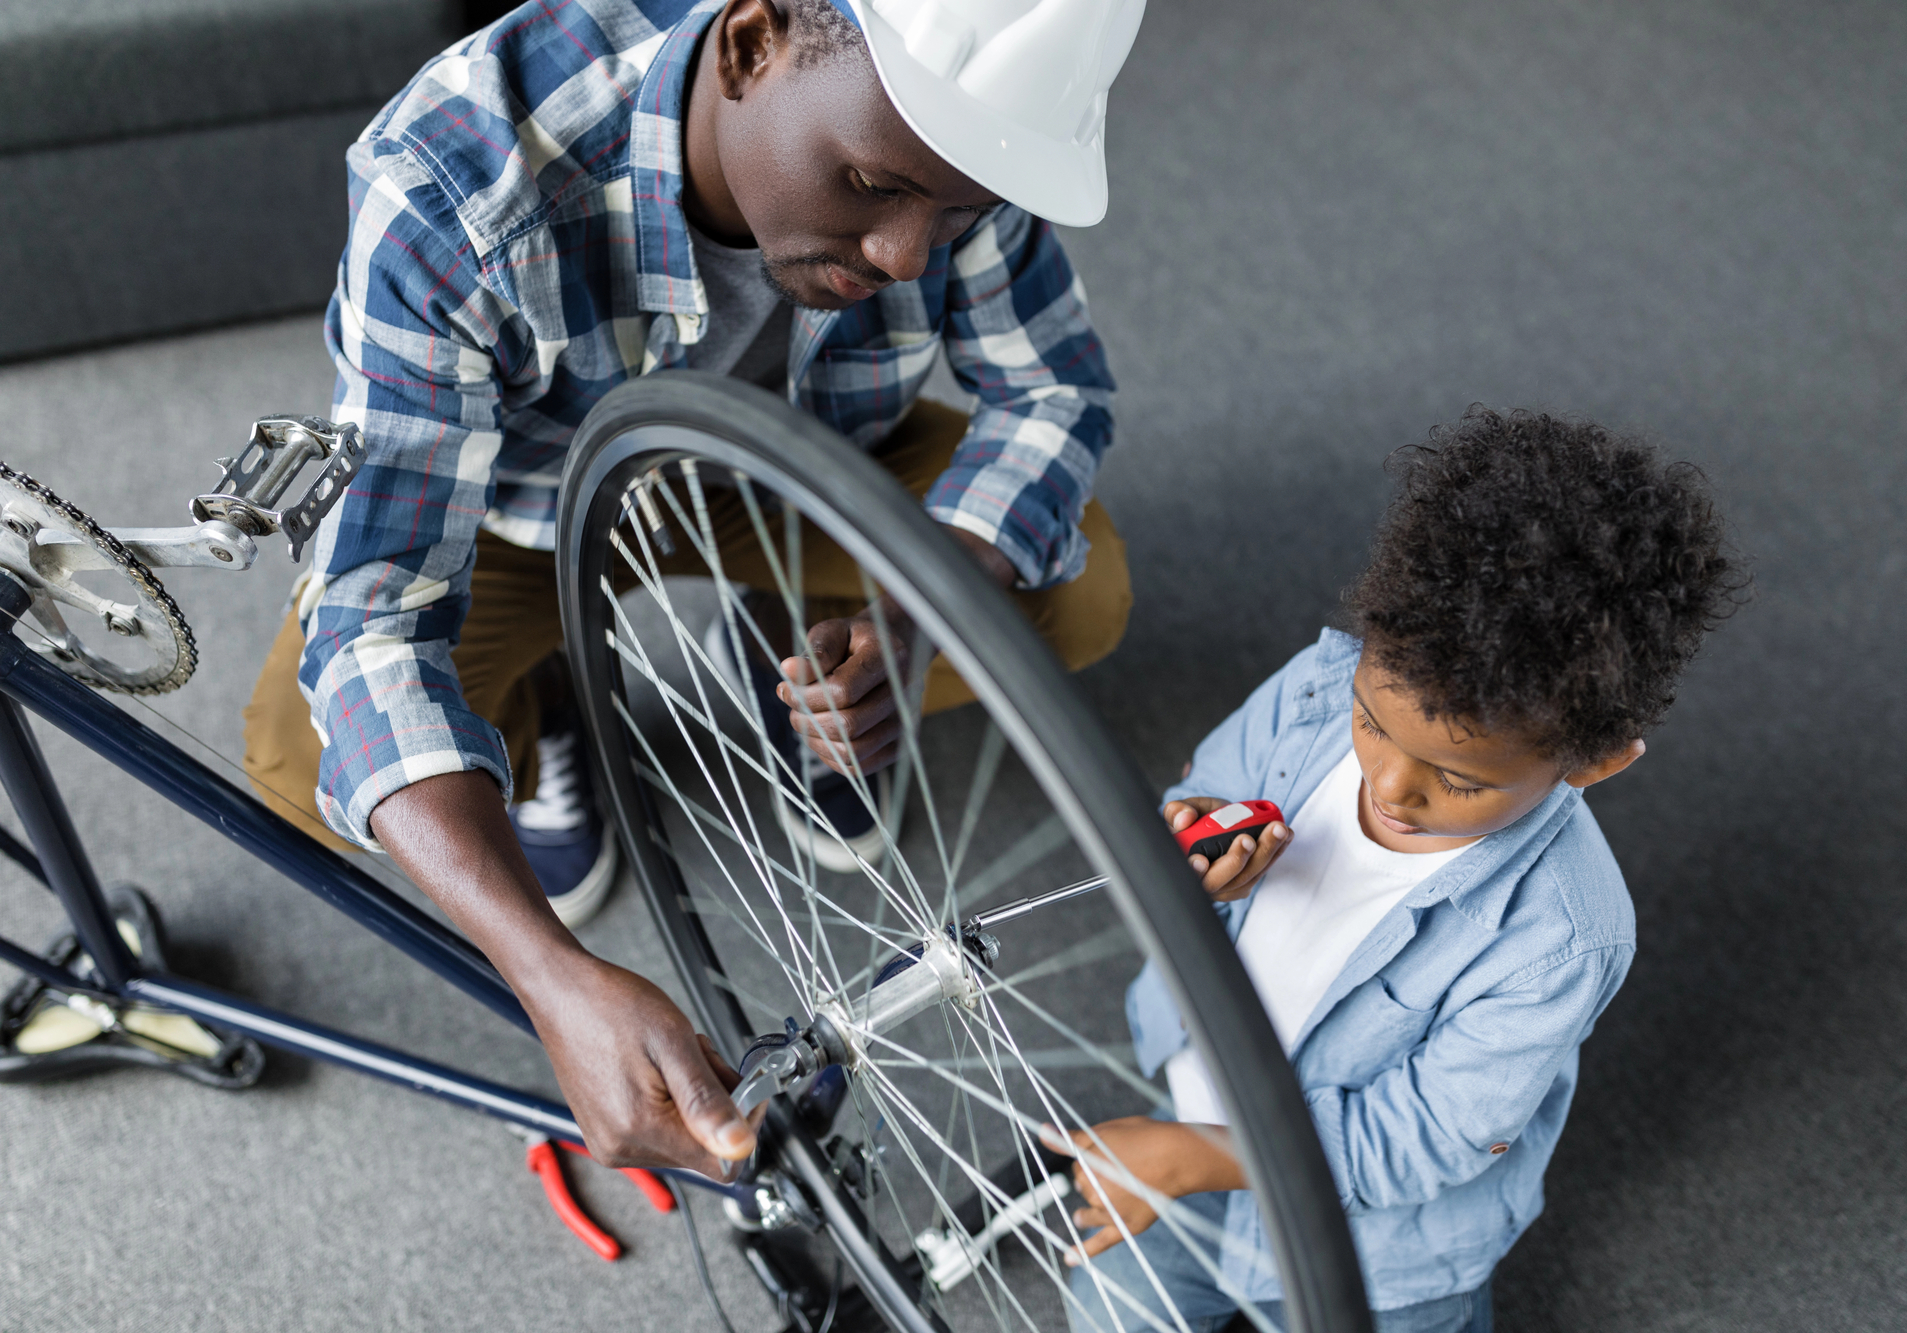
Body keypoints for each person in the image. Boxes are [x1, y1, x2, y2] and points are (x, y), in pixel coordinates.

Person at [239, 0, 1144, 1176]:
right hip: (524, 510)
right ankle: (550, 699)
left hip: (812, 467)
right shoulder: (454, 177)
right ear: (751, 44)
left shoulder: (954, 139)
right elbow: (374, 611)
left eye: (957, 210)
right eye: (870, 183)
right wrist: (551, 978)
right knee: (305, 765)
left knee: (1078, 592)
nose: (907, 254)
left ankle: (793, 646)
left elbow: (1053, 396)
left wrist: (914, 610)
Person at [1054, 408, 1747, 1333]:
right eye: (1373, 720)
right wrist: (1191, 849)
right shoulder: (1311, 687)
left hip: (1385, 1244)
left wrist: (1207, 1155)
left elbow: (1427, 1137)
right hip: (1195, 1112)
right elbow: (1204, 791)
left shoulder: (1562, 935)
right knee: (1105, 1306)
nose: (1387, 782)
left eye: (1457, 778)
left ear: (1592, 763)